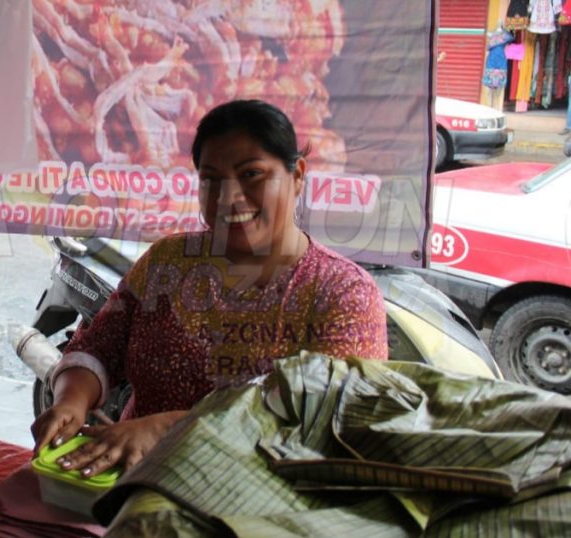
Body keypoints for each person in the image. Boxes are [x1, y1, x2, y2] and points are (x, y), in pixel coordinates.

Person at [31, 99, 389, 478]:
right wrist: (71, 400)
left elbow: (327, 419)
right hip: (130, 485)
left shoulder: (343, 293)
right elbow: (98, 346)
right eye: (211, 179)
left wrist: (164, 429)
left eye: (252, 174)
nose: (229, 197)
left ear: (297, 175)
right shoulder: (169, 259)